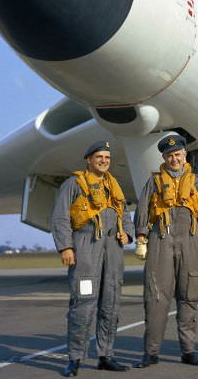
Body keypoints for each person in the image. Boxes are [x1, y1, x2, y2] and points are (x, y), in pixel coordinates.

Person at [50, 140, 134, 376]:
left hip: (113, 251)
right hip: (86, 249)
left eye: (107, 157)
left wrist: (127, 234)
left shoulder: (114, 185)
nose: (104, 161)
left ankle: (106, 355)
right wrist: (66, 247)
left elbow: (125, 212)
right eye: (99, 157)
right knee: (83, 304)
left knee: (111, 303)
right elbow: (60, 218)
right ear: (88, 159)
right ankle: (75, 358)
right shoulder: (73, 184)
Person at [133, 134, 198, 368]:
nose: (174, 159)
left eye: (177, 154)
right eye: (169, 155)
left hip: (191, 239)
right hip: (161, 239)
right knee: (156, 298)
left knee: (189, 296)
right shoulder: (154, 181)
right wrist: (141, 238)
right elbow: (142, 210)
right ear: (164, 157)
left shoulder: (197, 182)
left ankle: (189, 351)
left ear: (184, 155)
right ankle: (151, 353)